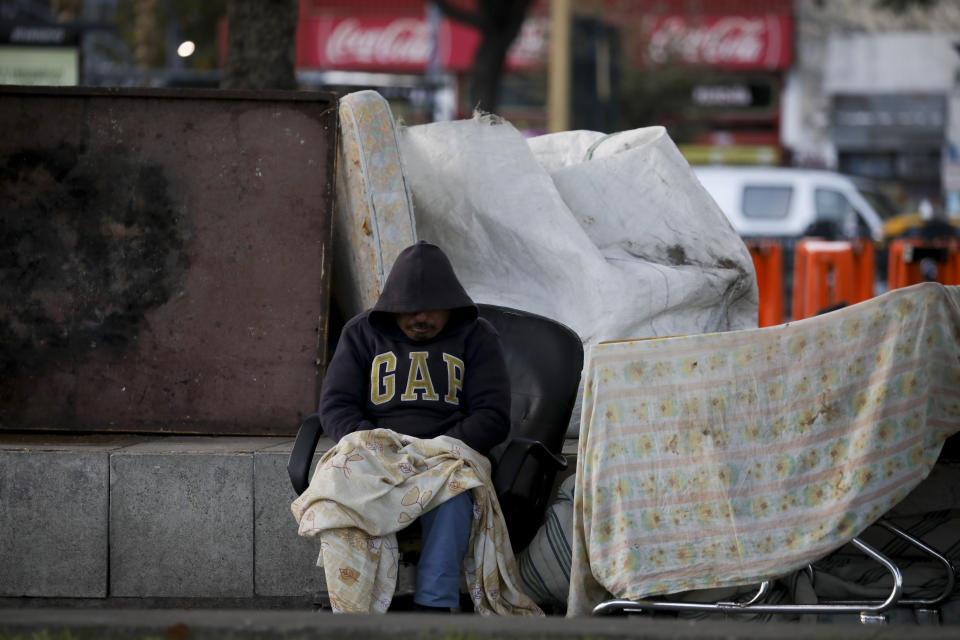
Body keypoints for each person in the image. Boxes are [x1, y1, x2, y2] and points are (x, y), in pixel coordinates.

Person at [317, 240, 511, 612]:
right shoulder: (361, 334)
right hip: (378, 453)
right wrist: (378, 447)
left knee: (453, 494)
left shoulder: (477, 336)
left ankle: (433, 610)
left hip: (447, 456)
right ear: (392, 307)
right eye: (408, 310)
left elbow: (492, 414)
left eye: (431, 309)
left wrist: (436, 451)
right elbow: (336, 406)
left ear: (450, 306)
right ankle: (354, 608)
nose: (419, 318)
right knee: (342, 487)